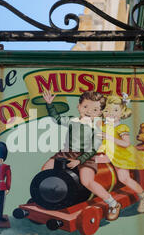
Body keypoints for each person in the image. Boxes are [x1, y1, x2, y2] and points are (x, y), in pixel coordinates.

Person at [42, 90, 119, 221]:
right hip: (67, 152)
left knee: (86, 181)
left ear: (100, 112)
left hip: (86, 155)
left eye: (94, 109)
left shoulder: (97, 128)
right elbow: (58, 119)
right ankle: (51, 197)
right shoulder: (73, 120)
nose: (89, 111)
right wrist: (49, 104)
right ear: (79, 107)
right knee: (45, 170)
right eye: (85, 107)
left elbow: (93, 149)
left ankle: (113, 203)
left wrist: (79, 161)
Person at [97, 93, 144, 215]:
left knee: (123, 178)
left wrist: (109, 137)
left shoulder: (121, 127)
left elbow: (126, 143)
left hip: (121, 155)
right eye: (107, 110)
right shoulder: (103, 125)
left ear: (122, 112)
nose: (110, 113)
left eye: (115, 110)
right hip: (107, 152)